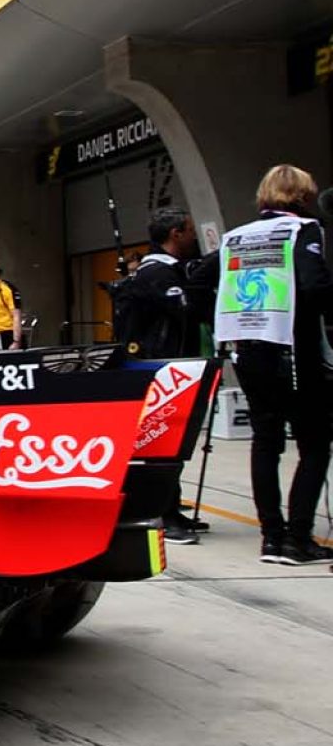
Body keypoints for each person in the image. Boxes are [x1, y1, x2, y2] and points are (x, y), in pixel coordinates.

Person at [214, 165, 333, 566]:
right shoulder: (304, 230)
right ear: (300, 196)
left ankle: (271, 537)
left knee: (265, 440)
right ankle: (297, 539)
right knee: (315, 443)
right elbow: (315, 286)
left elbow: (198, 279)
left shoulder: (237, 236)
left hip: (249, 351)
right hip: (293, 349)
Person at [112, 206, 210, 544]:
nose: (194, 235)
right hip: (160, 368)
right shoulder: (157, 273)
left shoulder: (170, 270)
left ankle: (171, 506)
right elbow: (188, 309)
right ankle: (161, 513)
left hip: (175, 365)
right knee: (161, 446)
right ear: (176, 234)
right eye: (189, 229)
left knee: (174, 443)